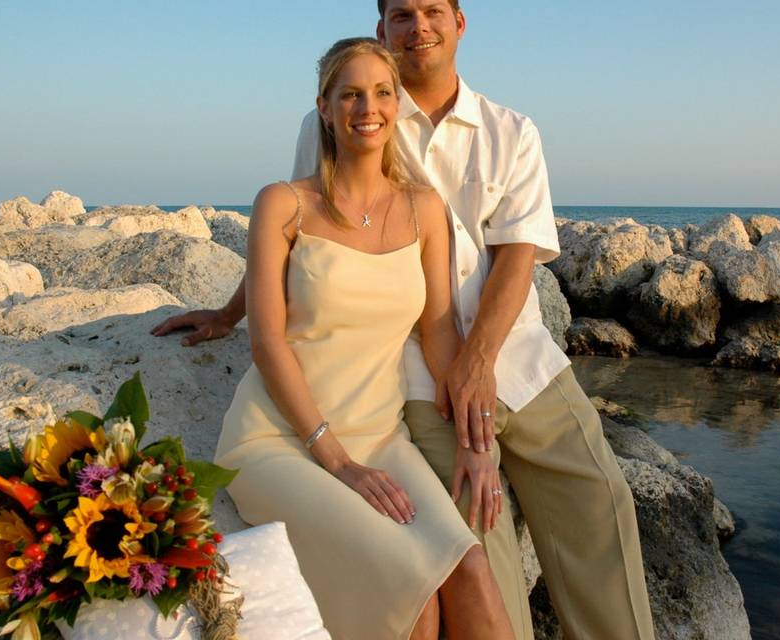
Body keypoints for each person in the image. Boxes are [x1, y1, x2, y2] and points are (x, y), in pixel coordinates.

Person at [156, 2, 656, 639]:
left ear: (459, 23)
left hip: (512, 351)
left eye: (431, 11)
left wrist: (478, 370)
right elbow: (294, 241)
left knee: (601, 501)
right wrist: (233, 311)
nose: (417, 26)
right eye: (400, 14)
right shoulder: (348, 112)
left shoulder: (509, 131)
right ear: (381, 32)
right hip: (422, 373)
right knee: (481, 535)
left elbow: (516, 257)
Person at [211, 37, 515, 640]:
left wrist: (477, 439)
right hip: (280, 442)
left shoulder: (424, 209)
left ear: (397, 104)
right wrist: (337, 461)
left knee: (472, 567)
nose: (366, 107)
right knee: (413, 598)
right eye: (349, 93)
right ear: (323, 107)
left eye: (380, 92)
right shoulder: (283, 204)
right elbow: (267, 341)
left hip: (380, 437)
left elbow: (437, 330)